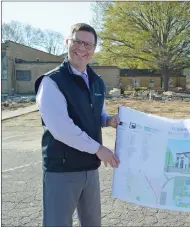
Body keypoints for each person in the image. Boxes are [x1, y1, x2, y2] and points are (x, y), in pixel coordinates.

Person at [35, 23, 120, 227]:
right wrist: (99, 148)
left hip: (90, 168)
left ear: (94, 49)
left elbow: (98, 113)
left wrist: (108, 120)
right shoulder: (52, 82)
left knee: (92, 223)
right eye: (78, 42)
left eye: (88, 45)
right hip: (62, 169)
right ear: (68, 42)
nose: (82, 48)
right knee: (58, 223)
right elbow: (61, 129)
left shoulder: (97, 81)